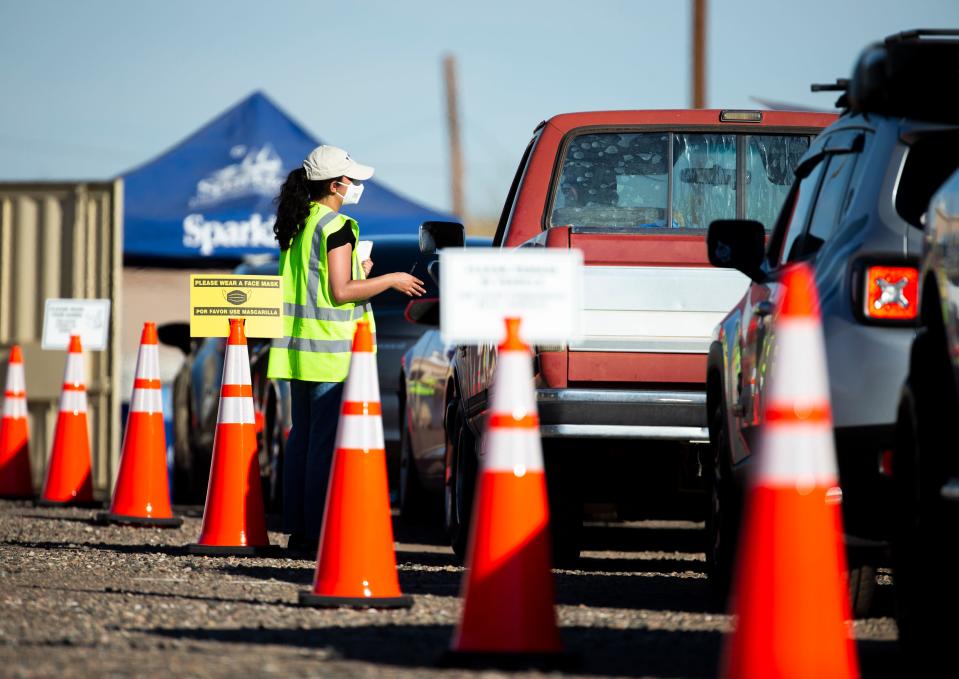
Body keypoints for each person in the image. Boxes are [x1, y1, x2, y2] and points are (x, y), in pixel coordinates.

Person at [267, 145, 425, 554]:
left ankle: (300, 531)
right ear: (335, 184)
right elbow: (341, 293)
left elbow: (322, 281)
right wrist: (390, 279)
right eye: (351, 180)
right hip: (330, 352)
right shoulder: (337, 226)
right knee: (322, 443)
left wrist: (361, 270)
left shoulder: (300, 222)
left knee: (301, 439)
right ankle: (319, 534)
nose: (355, 186)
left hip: (298, 348)